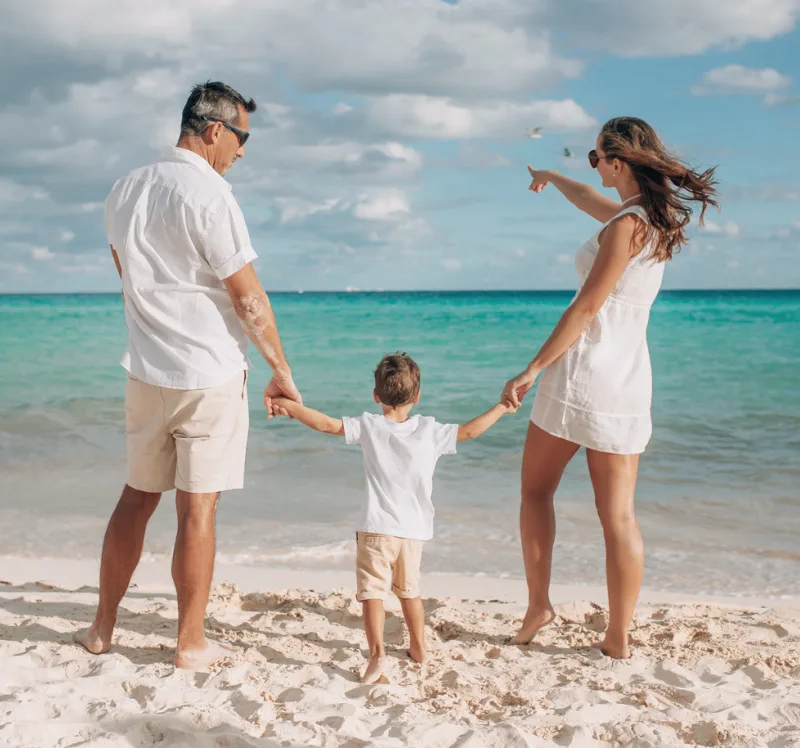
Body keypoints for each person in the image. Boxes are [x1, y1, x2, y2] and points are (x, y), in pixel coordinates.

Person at [75, 81, 302, 670]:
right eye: (242, 138)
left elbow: (125, 272)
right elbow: (247, 296)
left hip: (146, 370)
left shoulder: (125, 188)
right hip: (208, 372)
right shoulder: (211, 193)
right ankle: (190, 641)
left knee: (136, 497)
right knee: (198, 510)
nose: (243, 152)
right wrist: (281, 370)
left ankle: (102, 628)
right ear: (214, 130)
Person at [503, 117, 718, 658]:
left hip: (582, 375)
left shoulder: (625, 226)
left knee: (535, 492)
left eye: (597, 158)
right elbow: (585, 200)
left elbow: (586, 308)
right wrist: (552, 175)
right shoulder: (650, 220)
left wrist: (530, 368)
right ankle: (618, 637)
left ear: (618, 163)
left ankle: (538, 606)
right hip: (627, 382)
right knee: (618, 515)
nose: (592, 166)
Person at [271, 353, 519, 683]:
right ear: (417, 397)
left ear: (376, 396)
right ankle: (419, 647)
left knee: (373, 592)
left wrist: (289, 404)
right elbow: (471, 431)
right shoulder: (431, 430)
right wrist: (503, 406)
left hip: (375, 528)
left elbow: (326, 424)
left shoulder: (370, 426)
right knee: (409, 592)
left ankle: (377, 656)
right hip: (413, 532)